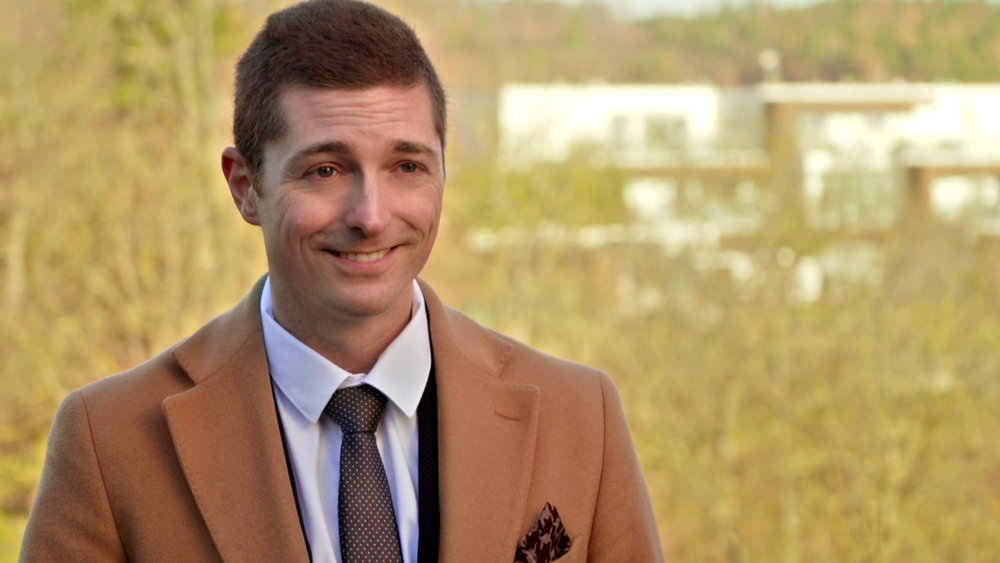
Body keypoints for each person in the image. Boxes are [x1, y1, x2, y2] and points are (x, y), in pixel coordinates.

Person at [19, 1, 663, 561]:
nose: (371, 216)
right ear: (245, 187)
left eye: (407, 166)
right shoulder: (110, 442)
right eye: (326, 170)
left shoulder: (582, 417)